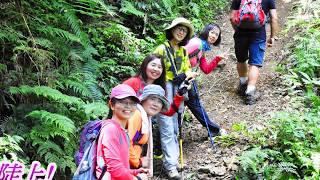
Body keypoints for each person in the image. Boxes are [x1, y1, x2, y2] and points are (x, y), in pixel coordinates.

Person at [153, 17, 197, 180]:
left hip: (178, 91)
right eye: (179, 28)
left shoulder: (184, 51)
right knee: (166, 126)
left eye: (184, 30)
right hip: (164, 90)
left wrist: (187, 77)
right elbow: (151, 68)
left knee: (175, 127)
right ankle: (171, 166)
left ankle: (172, 160)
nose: (181, 32)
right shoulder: (161, 49)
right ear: (171, 30)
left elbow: (189, 70)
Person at [95, 84, 148, 180]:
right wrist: (137, 179)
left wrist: (135, 172)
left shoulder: (122, 131)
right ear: (112, 105)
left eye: (132, 103)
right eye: (123, 102)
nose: (128, 106)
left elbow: (120, 165)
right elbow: (114, 169)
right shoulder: (110, 130)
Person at [230, 0, 278, 105]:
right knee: (254, 63)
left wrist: (237, 29)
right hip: (258, 33)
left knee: (241, 59)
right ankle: (250, 92)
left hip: (240, 33)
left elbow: (232, 17)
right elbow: (274, 18)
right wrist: (272, 37)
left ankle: (242, 84)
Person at [184, 23, 229, 136]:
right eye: (212, 32)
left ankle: (214, 130)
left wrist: (218, 58)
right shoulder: (196, 43)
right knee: (194, 105)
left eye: (217, 35)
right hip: (180, 78)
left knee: (195, 104)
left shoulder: (202, 49)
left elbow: (206, 69)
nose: (214, 36)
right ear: (206, 31)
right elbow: (178, 56)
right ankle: (214, 130)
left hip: (187, 80)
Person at [126, 84, 170, 178]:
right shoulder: (136, 115)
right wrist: (138, 162)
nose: (155, 104)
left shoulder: (145, 117)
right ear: (143, 100)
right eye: (152, 99)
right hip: (124, 166)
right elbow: (126, 142)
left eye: (159, 101)